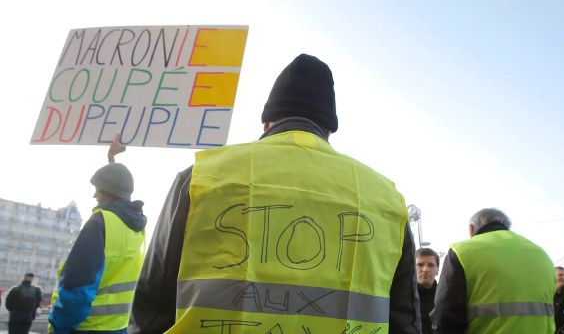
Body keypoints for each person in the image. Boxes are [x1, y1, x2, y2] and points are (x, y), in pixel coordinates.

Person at [129, 54, 421, 334]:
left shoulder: (199, 179)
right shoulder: (386, 201)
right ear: (329, 128)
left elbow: (152, 307)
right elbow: (404, 322)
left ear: (267, 122)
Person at [48, 149, 146, 334]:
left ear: (107, 190)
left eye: (98, 189)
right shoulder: (137, 226)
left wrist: (60, 325)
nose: (95, 195)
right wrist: (111, 161)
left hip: (84, 327)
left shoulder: (99, 222)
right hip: (118, 327)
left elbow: (78, 286)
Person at [431, 208, 556, 333]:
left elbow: (446, 316)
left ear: (471, 229)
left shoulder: (462, 251)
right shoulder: (542, 255)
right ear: (507, 226)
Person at [416, 248, 439, 334]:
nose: (425, 269)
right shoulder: (403, 298)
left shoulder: (447, 297)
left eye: (430, 265)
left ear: (437, 270)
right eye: (420, 265)